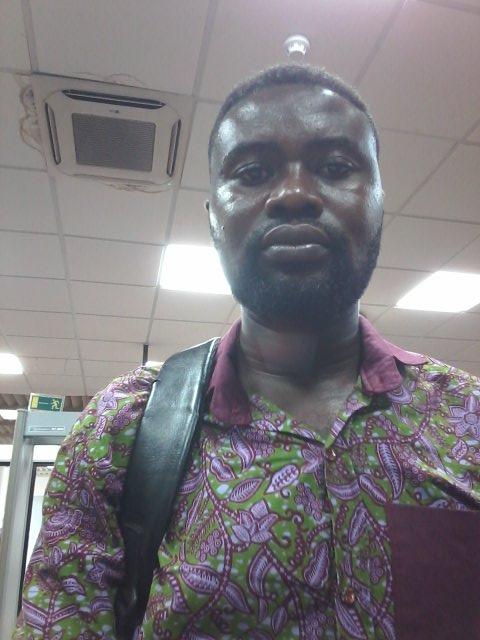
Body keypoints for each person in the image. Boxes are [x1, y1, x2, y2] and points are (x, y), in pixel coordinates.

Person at [14, 64, 480, 640]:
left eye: (336, 167)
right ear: (213, 219)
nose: (294, 195)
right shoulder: (126, 428)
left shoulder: (468, 421)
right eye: (253, 172)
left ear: (379, 203)